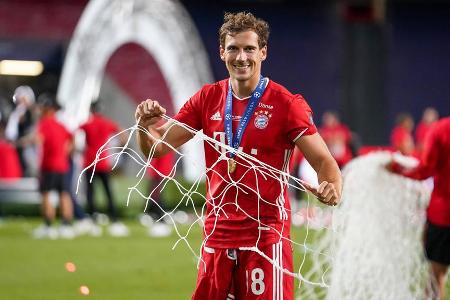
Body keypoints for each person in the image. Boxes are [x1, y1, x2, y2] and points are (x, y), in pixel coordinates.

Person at [135, 12, 342, 300]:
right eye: (233, 48)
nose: (241, 57)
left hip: (265, 237)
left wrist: (331, 186)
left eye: (249, 49)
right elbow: (157, 149)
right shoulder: (206, 99)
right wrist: (143, 128)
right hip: (217, 236)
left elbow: (324, 162)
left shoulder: (286, 104)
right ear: (222, 52)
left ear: (263, 52)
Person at [388, 116, 450, 300]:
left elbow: (425, 170)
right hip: (442, 213)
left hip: (443, 215)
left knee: (435, 275)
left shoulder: (441, 129)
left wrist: (396, 169)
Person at [78, 102, 129, 237]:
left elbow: (75, 133)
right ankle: (114, 220)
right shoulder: (107, 123)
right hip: (103, 163)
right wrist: (121, 150)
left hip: (89, 162)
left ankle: (93, 220)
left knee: (90, 193)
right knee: (108, 192)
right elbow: (123, 135)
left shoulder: (87, 124)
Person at [32, 94, 75, 239]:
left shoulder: (43, 124)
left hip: (49, 165)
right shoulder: (61, 125)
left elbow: (38, 141)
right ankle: (66, 226)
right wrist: (66, 151)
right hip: (62, 165)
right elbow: (71, 138)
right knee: (64, 194)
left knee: (46, 194)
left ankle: (48, 226)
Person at [5, 85, 37, 176]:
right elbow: (10, 133)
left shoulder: (33, 112)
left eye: (23, 99)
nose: (21, 102)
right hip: (18, 146)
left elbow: (34, 132)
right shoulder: (16, 112)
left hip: (30, 147)